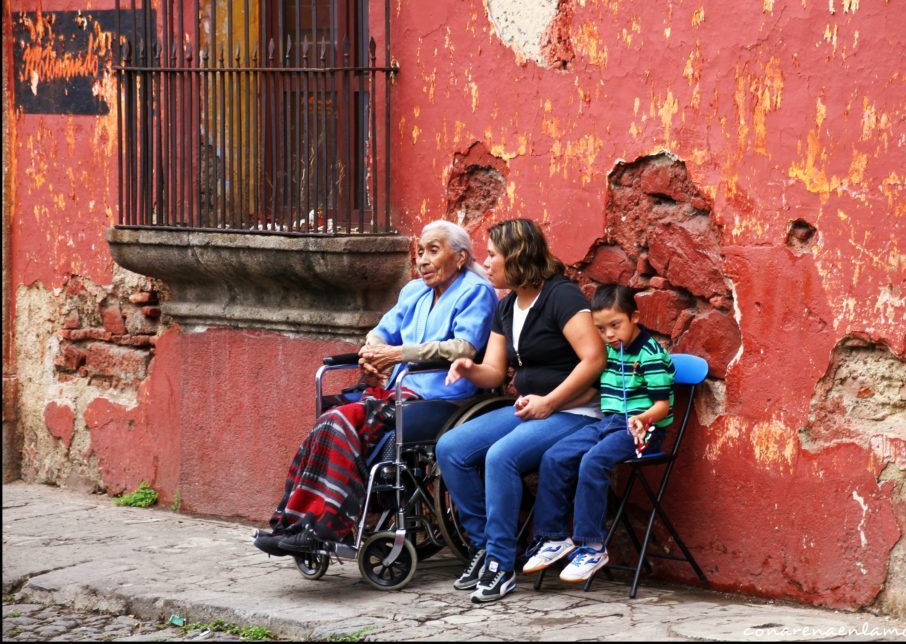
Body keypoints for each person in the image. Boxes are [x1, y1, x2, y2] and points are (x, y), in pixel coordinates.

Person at [253, 220, 497, 557]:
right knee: (332, 421)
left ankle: (321, 528)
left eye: (433, 251)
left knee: (339, 421)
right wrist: (372, 352)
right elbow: (381, 332)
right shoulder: (414, 291)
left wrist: (397, 354)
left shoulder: (475, 290)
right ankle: (298, 524)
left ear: (460, 257)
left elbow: (463, 348)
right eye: (421, 251)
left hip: (441, 400)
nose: (423, 260)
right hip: (397, 395)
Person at [435, 218, 606, 603]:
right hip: (531, 408)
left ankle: (500, 565)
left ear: (517, 256)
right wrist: (468, 367)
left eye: (493, 255)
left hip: (574, 410)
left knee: (501, 457)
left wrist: (551, 401)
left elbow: (594, 359)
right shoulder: (507, 305)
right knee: (451, 448)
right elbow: (495, 371)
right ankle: (485, 546)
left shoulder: (562, 297)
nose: (486, 263)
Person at [522, 284, 675, 583]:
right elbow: (593, 393)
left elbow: (662, 406)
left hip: (645, 429)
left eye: (615, 325)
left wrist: (641, 419)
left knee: (592, 461)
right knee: (555, 456)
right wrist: (548, 404)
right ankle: (554, 537)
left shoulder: (651, 354)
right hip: (610, 423)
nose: (608, 335)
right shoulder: (610, 351)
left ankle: (591, 546)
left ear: (634, 317)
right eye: (601, 329)